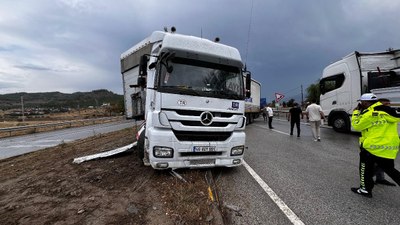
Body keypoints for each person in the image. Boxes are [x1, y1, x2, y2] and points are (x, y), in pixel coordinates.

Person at [351, 93, 400, 198]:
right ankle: (377, 181)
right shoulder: (389, 111)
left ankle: (365, 190)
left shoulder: (371, 113)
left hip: (372, 147)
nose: (360, 104)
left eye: (361, 102)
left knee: (365, 169)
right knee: (391, 171)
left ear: (365, 102)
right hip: (388, 147)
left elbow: (356, 125)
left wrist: (355, 112)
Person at [374, 98, 396, 186]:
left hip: (387, 143)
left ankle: (380, 179)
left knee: (383, 164)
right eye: (386, 104)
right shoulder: (375, 114)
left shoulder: (390, 114)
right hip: (376, 143)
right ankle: (367, 179)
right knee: (376, 163)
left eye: (388, 104)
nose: (388, 106)